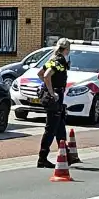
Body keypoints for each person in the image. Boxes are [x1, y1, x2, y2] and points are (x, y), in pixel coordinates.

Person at [37, 38, 72, 168]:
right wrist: (52, 92)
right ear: (67, 50)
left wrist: (48, 87)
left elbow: (40, 73)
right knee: (51, 128)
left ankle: (66, 155)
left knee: (60, 126)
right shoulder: (60, 61)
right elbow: (46, 75)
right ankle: (42, 158)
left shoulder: (52, 59)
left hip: (55, 98)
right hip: (55, 98)